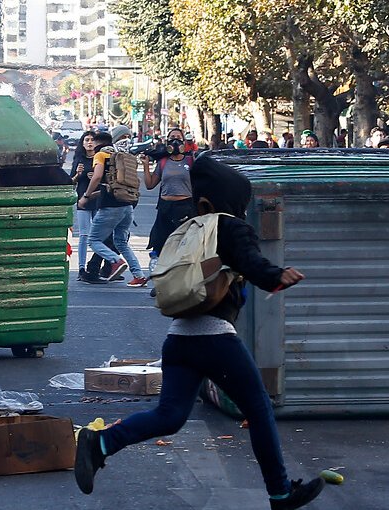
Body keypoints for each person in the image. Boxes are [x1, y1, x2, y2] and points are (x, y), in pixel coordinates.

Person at [74, 155, 324, 509]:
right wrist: (275, 275)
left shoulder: (187, 228)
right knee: (259, 408)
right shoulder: (230, 226)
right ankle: (281, 492)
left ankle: (100, 443)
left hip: (179, 339)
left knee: (169, 416)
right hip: (215, 338)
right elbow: (252, 263)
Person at [78, 129, 147, 287]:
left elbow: (96, 177)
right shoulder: (122, 155)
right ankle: (139, 275)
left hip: (110, 206)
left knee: (93, 240)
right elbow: (111, 184)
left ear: (97, 142)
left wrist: (86, 196)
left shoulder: (100, 155)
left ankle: (115, 261)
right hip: (127, 205)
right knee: (121, 242)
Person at [143, 127, 196, 294]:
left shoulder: (190, 162)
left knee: (182, 247)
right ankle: (160, 284)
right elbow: (150, 184)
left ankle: (181, 284)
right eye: (172, 137)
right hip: (165, 208)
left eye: (178, 137)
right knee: (160, 246)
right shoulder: (163, 162)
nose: (175, 140)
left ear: (183, 141)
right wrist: (145, 167)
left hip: (185, 208)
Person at [70, 130, 99, 281]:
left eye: (92, 140)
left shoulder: (100, 158)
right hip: (82, 200)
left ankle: (98, 266)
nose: (89, 142)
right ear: (82, 143)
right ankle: (81, 268)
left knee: (100, 235)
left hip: (98, 200)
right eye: (86, 140)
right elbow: (71, 182)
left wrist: (96, 178)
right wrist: (78, 174)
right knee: (84, 235)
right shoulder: (79, 160)